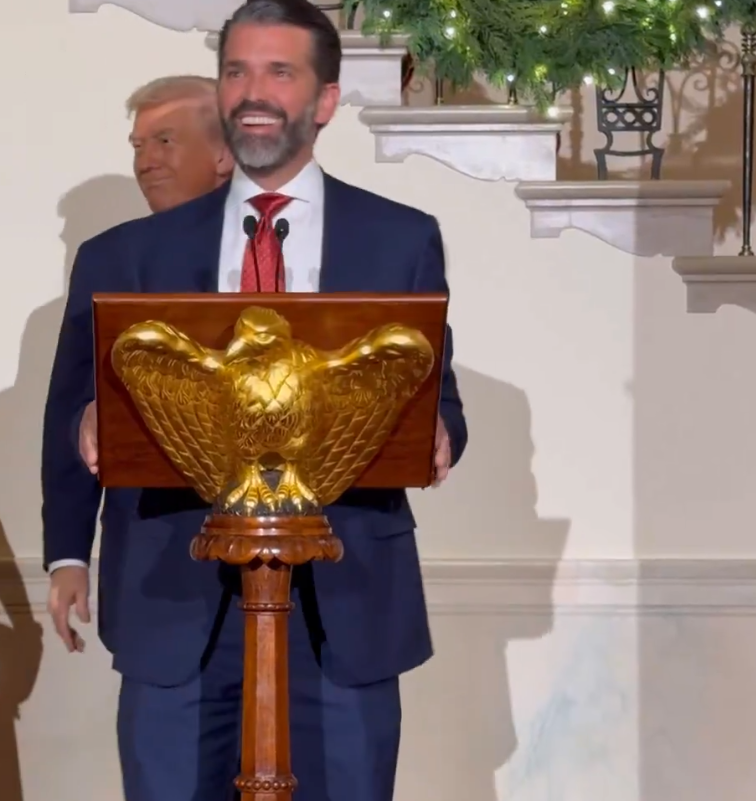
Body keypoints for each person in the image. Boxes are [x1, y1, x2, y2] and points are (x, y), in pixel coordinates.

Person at [41, 1, 468, 799]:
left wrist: (442, 431)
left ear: (326, 100)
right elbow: (70, 407)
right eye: (235, 71)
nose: (252, 91)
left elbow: (438, 397)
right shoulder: (126, 256)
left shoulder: (400, 239)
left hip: (343, 607)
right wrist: (69, 540)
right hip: (173, 598)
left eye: (279, 71)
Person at [126, 75, 234, 212]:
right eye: (138, 146)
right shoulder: (126, 234)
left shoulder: (264, 230)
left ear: (225, 154)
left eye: (165, 141)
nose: (144, 164)